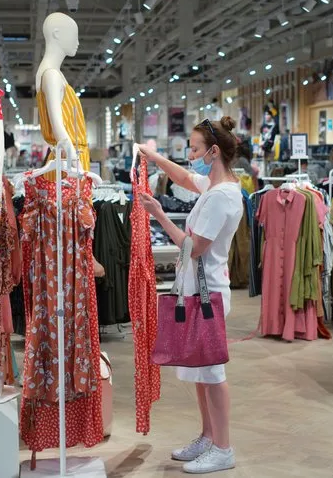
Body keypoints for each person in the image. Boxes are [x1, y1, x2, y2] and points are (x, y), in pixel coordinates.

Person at [137, 116, 243, 474]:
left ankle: (223, 447)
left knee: (212, 373)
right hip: (199, 291)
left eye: (196, 149)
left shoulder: (222, 197)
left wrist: (160, 216)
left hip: (207, 295)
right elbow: (184, 177)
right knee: (200, 370)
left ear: (214, 152)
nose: (191, 155)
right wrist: (153, 157)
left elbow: (193, 248)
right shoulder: (216, 188)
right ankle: (208, 436)